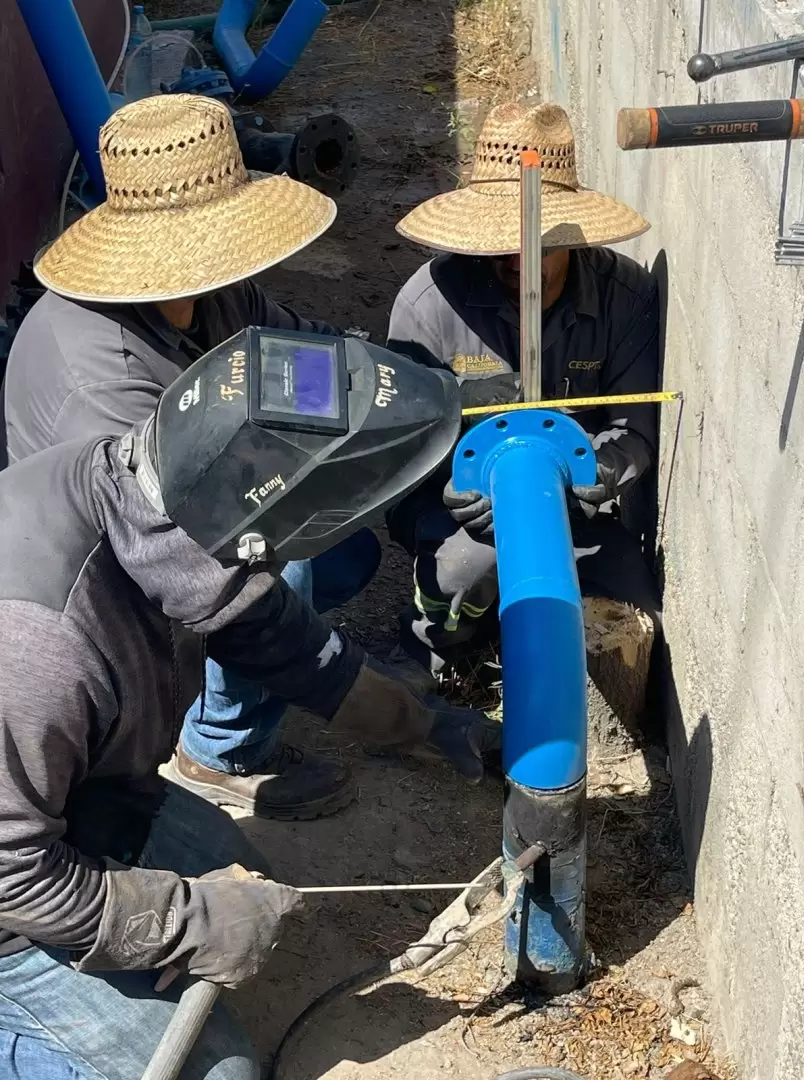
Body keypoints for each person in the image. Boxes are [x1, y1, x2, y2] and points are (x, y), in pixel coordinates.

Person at [0, 392, 490, 1078]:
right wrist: (182, 923)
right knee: (225, 1074)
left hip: (68, 801)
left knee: (234, 866)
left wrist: (431, 726)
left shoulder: (157, 511)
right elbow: (9, 873)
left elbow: (282, 641)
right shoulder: (38, 646)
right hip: (8, 894)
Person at [3, 93, 384, 821]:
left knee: (348, 548)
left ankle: (247, 679)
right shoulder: (100, 374)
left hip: (182, 512)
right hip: (98, 581)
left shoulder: (212, 297)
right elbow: (174, 542)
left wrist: (378, 380)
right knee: (274, 562)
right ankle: (219, 748)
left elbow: (298, 354)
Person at [385, 102, 662, 679]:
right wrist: (457, 496)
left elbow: (635, 429)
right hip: (465, 514)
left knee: (631, 609)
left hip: (574, 509)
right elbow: (399, 454)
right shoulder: (429, 305)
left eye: (538, 242)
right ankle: (444, 653)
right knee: (461, 577)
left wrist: (588, 475)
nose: (517, 261)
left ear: (571, 233)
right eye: (500, 242)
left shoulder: (623, 297)